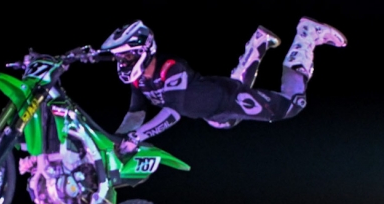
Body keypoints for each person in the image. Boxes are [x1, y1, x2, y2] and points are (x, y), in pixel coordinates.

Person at [99, 18, 347, 154]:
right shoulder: (138, 80)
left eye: (127, 56)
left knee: (292, 106)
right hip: (216, 113)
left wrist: (136, 136)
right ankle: (258, 43)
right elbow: (135, 113)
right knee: (227, 121)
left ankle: (307, 35)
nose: (123, 62)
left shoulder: (171, 68)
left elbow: (173, 113)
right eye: (120, 58)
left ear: (144, 50)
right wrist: (116, 141)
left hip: (227, 98)